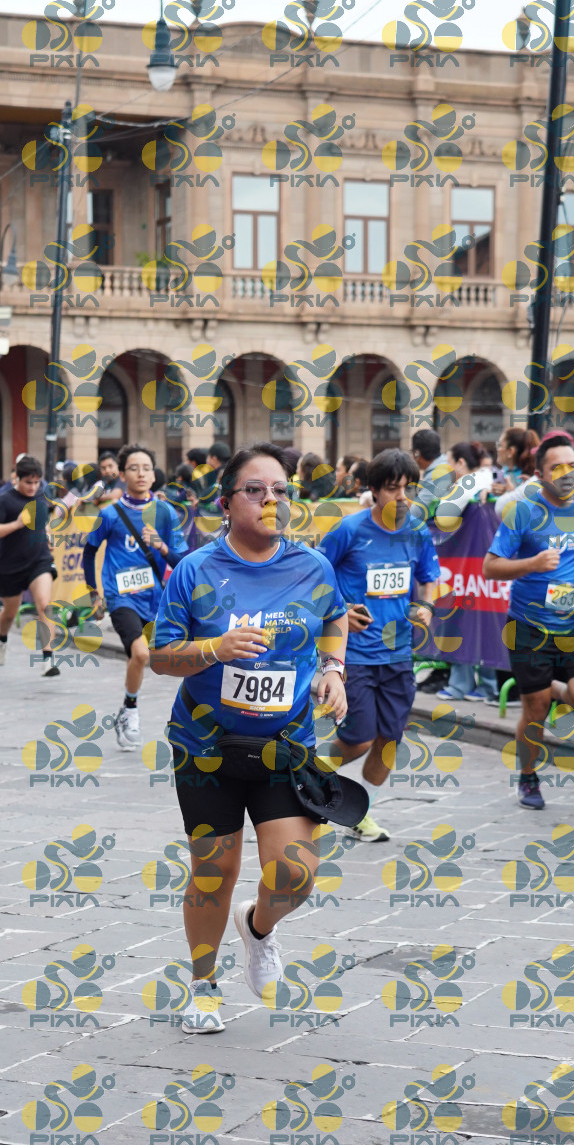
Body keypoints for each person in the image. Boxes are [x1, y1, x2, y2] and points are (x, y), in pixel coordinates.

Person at [149, 443, 350, 1035]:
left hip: (283, 744)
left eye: (280, 491)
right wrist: (215, 649)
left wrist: (333, 669)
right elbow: (160, 657)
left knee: (296, 873)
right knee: (215, 869)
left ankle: (258, 929)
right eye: (255, 490)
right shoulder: (195, 570)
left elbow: (335, 616)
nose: (270, 500)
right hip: (205, 746)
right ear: (226, 502)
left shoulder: (312, 567)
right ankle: (203, 986)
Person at [484, 436, 574, 810]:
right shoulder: (523, 512)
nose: (567, 473)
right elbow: (490, 566)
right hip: (529, 625)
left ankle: (554, 689)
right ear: (540, 475)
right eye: (557, 468)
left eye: (573, 465)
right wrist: (532, 564)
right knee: (535, 710)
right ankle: (528, 776)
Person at [320, 448, 439, 842]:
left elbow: (429, 578)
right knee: (359, 739)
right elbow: (314, 575)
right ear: (373, 490)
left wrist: (425, 605)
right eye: (392, 488)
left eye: (408, 488)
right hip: (355, 654)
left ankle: (359, 811)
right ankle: (308, 774)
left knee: (388, 744)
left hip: (399, 654)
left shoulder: (417, 531)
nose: (402, 497)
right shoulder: (349, 530)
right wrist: (340, 611)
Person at [83, 443, 190, 750]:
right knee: (140, 654)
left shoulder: (166, 513)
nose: (141, 474)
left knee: (167, 659)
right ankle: (130, 710)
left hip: (155, 599)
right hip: (121, 597)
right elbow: (89, 552)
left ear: (154, 475)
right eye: (133, 468)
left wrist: (161, 546)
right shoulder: (110, 514)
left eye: (146, 468)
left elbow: (182, 562)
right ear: (122, 474)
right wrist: (94, 593)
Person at [0, 455, 60, 676]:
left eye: (36, 482)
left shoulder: (41, 496)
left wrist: (48, 535)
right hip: (11, 566)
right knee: (10, 613)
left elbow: (43, 522)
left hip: (39, 559)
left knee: (44, 604)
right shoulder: (4, 501)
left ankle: (48, 659)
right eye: (28, 482)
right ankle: (2, 639)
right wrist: (17, 524)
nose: (33, 487)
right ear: (17, 478)